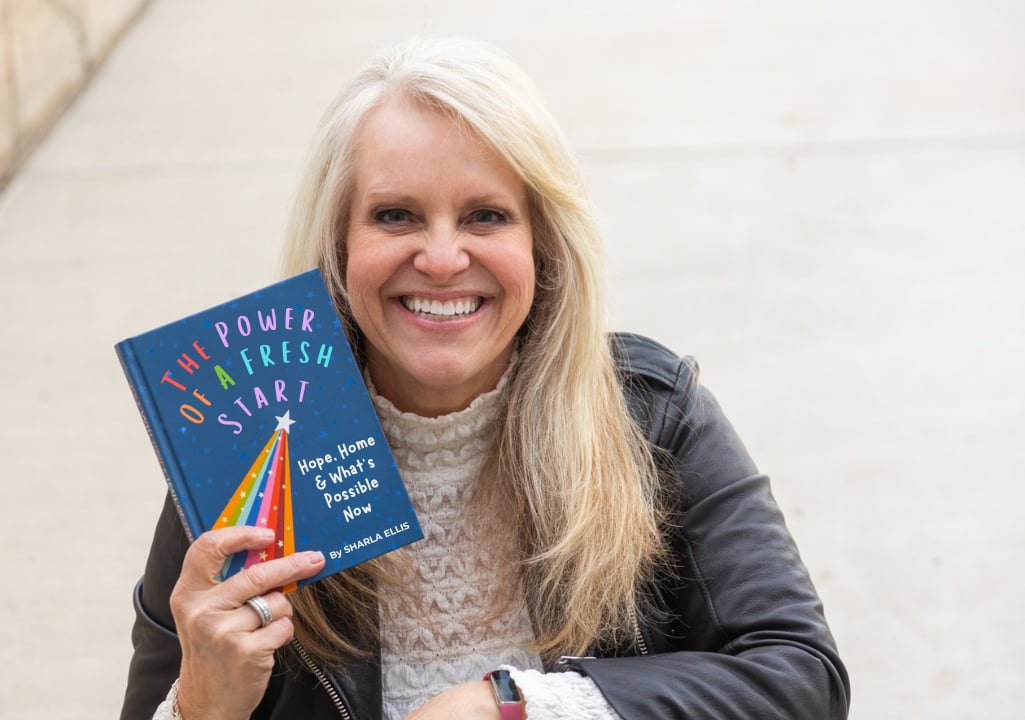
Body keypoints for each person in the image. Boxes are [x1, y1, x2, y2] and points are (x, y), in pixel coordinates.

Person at [120, 37, 850, 720]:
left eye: (485, 216)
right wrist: (199, 708)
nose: (441, 259)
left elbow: (798, 677)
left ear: (543, 246)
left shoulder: (649, 414)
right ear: (339, 246)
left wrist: (514, 706)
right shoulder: (245, 451)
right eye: (396, 215)